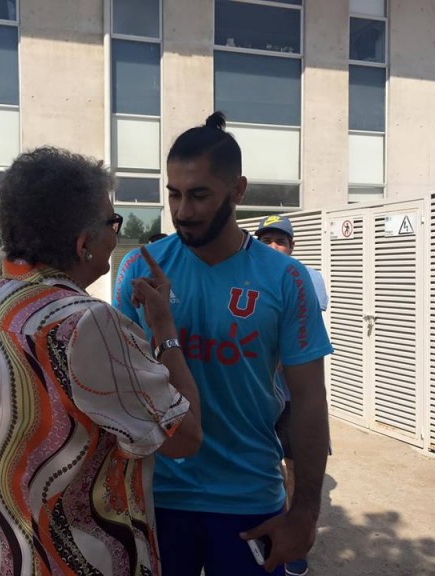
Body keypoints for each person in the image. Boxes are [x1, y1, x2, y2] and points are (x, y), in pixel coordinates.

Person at [0, 146, 202, 575]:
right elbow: (186, 435)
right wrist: (165, 331)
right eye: (113, 222)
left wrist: (5, 516)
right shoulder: (89, 324)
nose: (116, 232)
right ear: (84, 244)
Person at [114, 112, 334, 576]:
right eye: (174, 194)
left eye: (198, 195)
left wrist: (306, 513)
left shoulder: (286, 279)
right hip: (158, 499)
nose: (182, 211)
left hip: (250, 501)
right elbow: (118, 391)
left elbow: (310, 401)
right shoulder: (139, 269)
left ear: (238, 191)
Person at [254, 214, 329, 576]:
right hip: (257, 393)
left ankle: (296, 542)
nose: (273, 247)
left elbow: (303, 334)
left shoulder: (307, 278)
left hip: (293, 394)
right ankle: (273, 530)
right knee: (267, 467)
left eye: (280, 240)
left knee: (296, 464)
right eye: (266, 240)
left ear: (292, 245)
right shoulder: (246, 275)